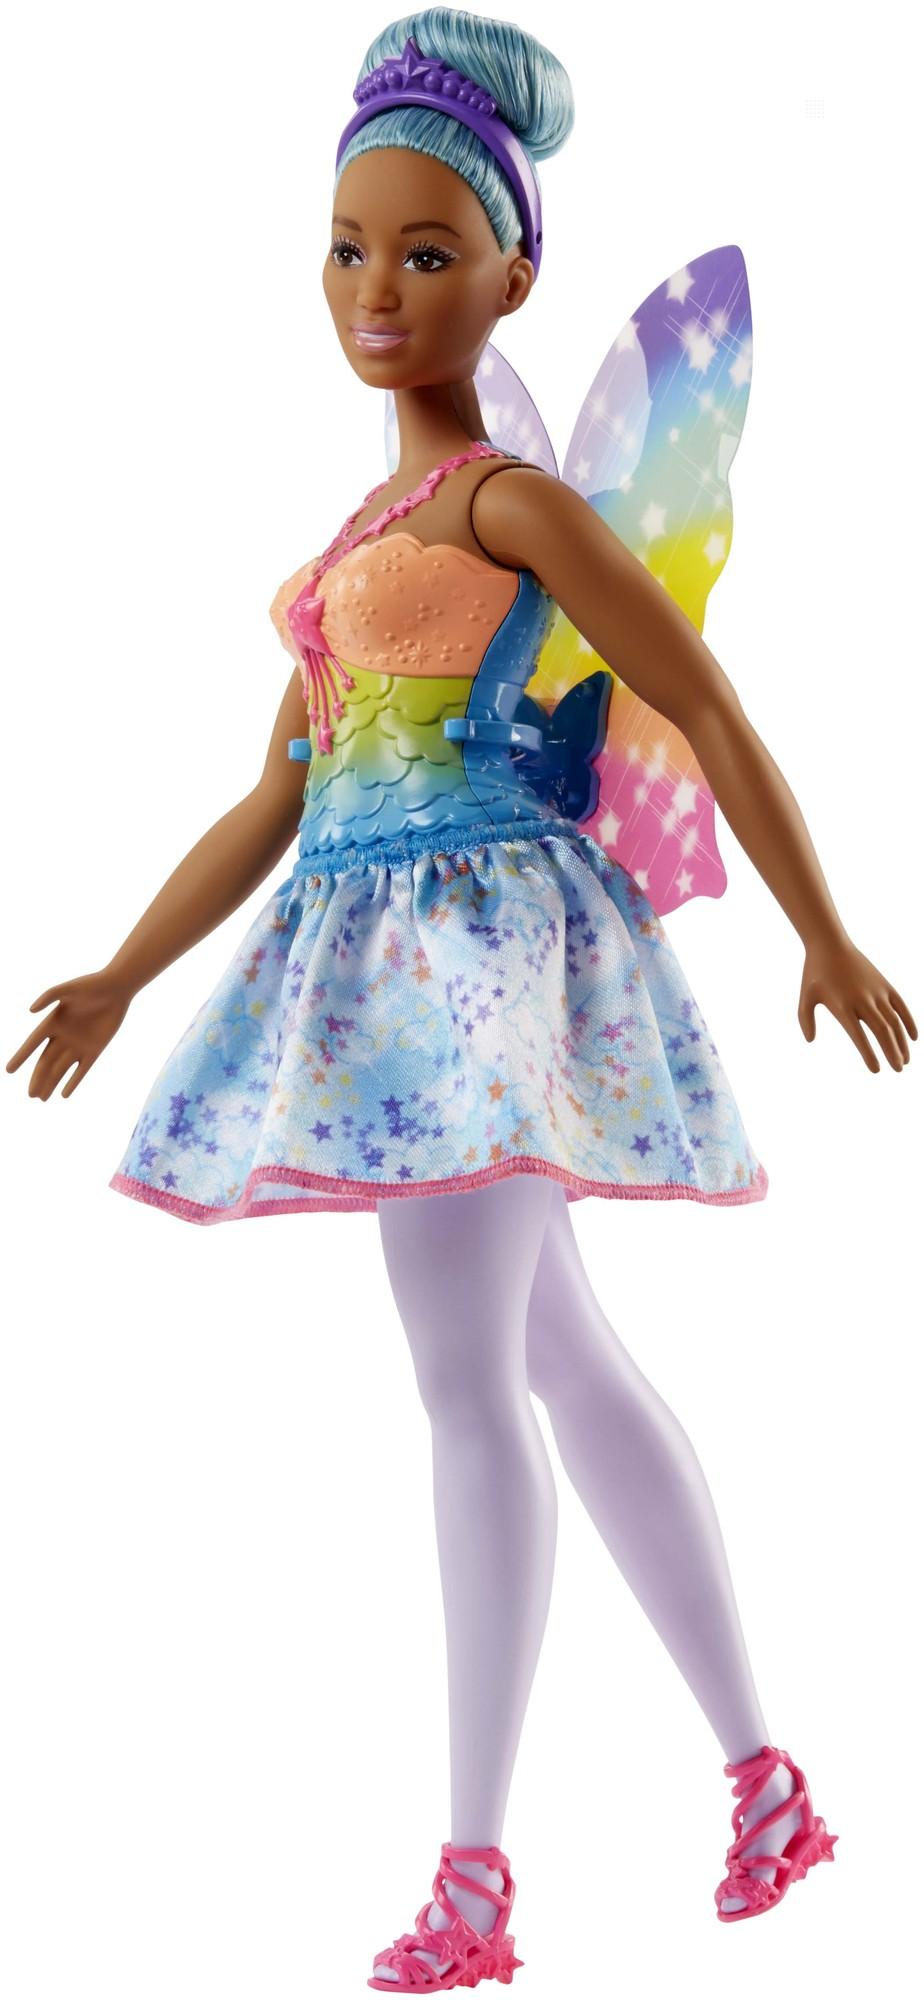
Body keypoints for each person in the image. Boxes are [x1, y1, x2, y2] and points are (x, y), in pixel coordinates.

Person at [6, 9, 915, 1991]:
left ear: (515, 277)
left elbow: (698, 698)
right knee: (559, 1358)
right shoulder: (348, 546)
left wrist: (824, 930)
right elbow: (279, 793)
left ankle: (477, 1877)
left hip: (476, 961)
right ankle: (765, 1784)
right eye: (350, 250)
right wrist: (121, 969)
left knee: (467, 1380)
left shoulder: (509, 505)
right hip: (380, 960)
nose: (379, 290)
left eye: (428, 254)